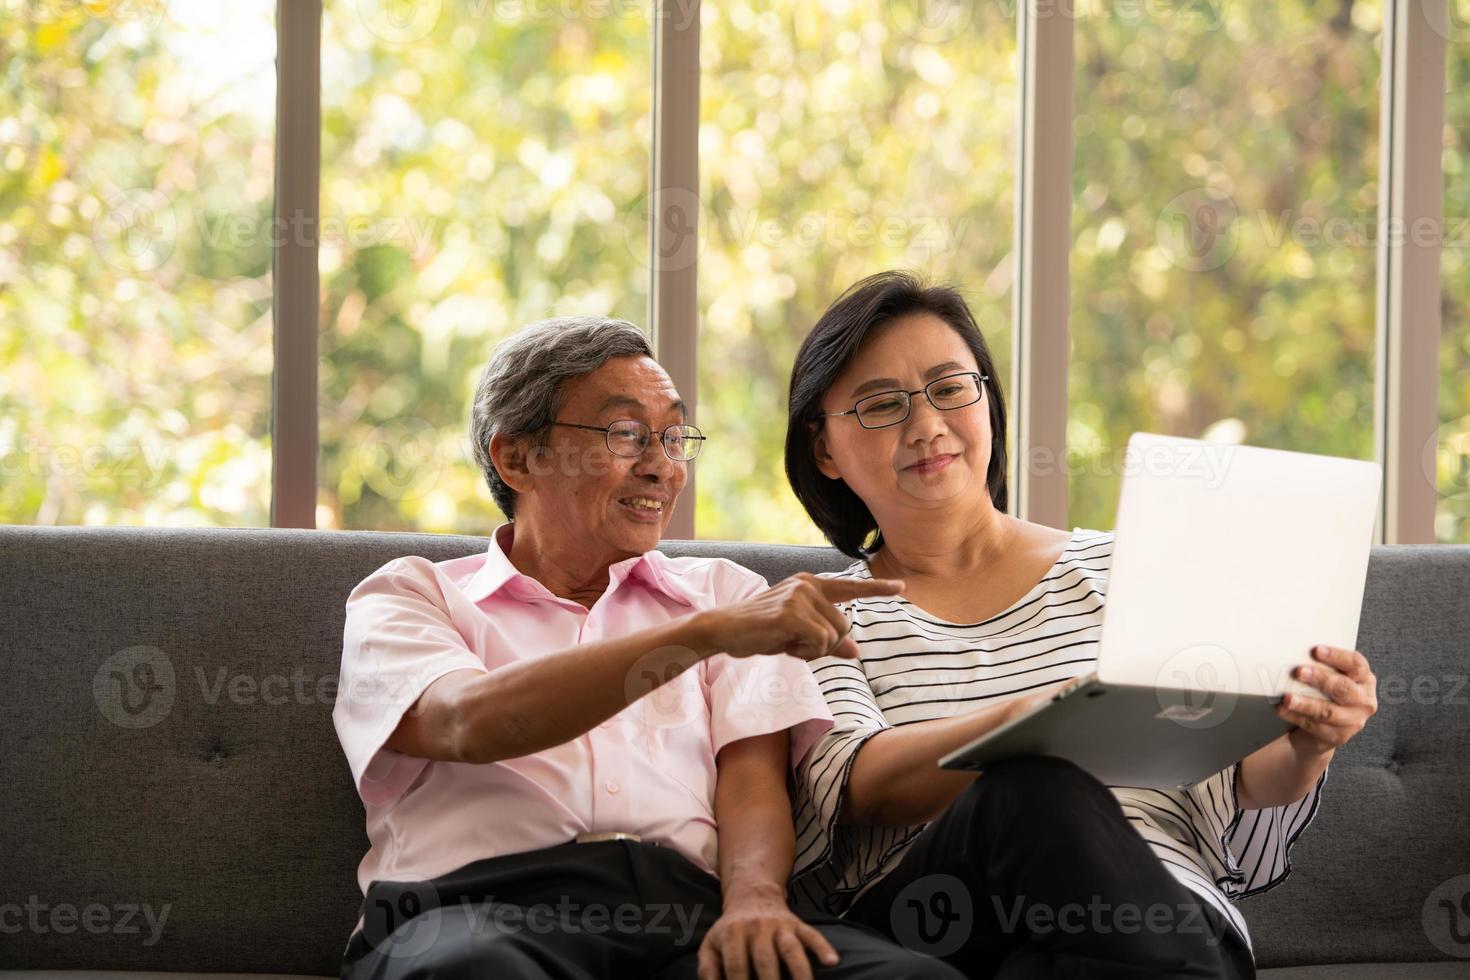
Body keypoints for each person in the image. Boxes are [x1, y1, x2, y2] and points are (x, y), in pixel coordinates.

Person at [783, 272, 1381, 979]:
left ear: (987, 401)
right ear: (824, 450)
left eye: (950, 388)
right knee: (1029, 789)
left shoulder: (1130, 567)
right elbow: (858, 789)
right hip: (941, 923)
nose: (927, 426)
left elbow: (1239, 782)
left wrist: (1310, 742)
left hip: (1156, 908)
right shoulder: (815, 613)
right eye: (882, 405)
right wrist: (1033, 724)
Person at [333, 315, 965, 980]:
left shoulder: (727, 592)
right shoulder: (409, 595)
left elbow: (752, 783)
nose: (663, 467)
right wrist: (703, 635)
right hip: (472, 913)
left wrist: (753, 900)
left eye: (672, 438)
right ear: (517, 457)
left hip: (684, 919)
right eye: (628, 435)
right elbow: (466, 722)